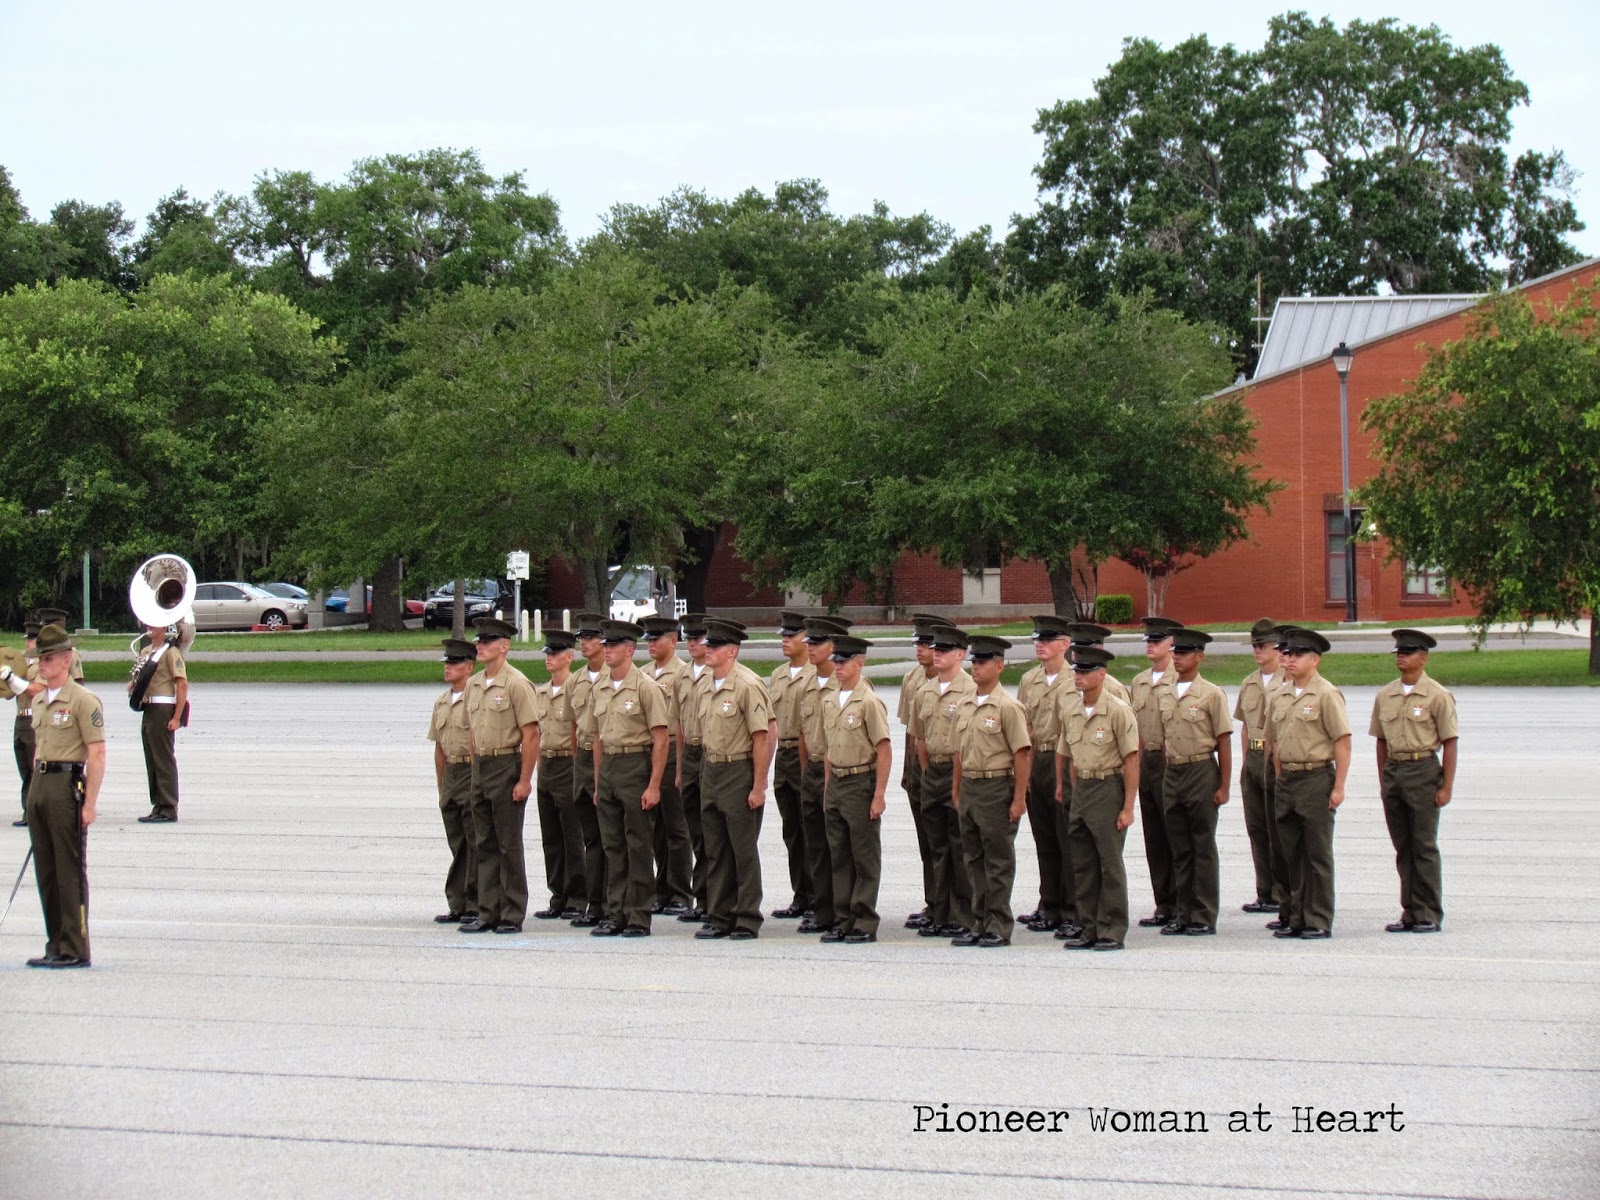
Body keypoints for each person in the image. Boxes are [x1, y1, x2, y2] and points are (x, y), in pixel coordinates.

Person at [22, 624, 104, 969]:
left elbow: (97, 753)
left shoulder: (83, 700)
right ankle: (54, 943)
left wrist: (90, 803)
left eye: (49, 658)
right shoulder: (39, 700)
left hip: (66, 783)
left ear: (67, 659)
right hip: (41, 784)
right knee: (46, 870)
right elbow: (39, 747)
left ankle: (75, 947)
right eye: (39, 658)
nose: (42, 664)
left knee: (68, 870)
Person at [1371, 629, 1458, 934]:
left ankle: (1428, 912)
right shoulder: (1385, 695)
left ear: (1423, 658)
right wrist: (1384, 779)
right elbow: (1381, 741)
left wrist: (1446, 786)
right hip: (1395, 771)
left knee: (1423, 846)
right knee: (1403, 846)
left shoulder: (1437, 695)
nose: (1401, 657)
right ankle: (1409, 910)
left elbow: (1450, 742)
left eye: (1407, 652)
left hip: (1423, 770)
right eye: (1399, 652)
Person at [460, 617, 543, 935]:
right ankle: (488, 910)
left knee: (508, 844)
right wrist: (475, 768)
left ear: (504, 646)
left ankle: (511, 912)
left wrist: (524, 780)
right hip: (482, 766)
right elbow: (472, 730)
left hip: (507, 764)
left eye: (488, 642)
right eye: (479, 642)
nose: (480, 646)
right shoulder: (474, 684)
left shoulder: (516, 684)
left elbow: (531, 734)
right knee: (484, 843)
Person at [1268, 627, 1351, 940]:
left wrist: (1339, 786)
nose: (1290, 659)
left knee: (1317, 854)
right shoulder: (1280, 695)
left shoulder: (1326, 694)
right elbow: (1275, 741)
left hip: (1315, 776)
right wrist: (1280, 777)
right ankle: (1296, 915)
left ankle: (1318, 918)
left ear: (1315, 660)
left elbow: (1342, 741)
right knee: (1292, 853)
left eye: (1299, 654)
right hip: (1288, 779)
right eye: (1288, 653)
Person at [1055, 644, 1139, 951]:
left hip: (1108, 786)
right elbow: (1069, 755)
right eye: (1076, 670)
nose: (1078, 676)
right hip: (1083, 788)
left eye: (1086, 671)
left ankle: (1112, 929)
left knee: (1109, 863)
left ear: (1101, 674)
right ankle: (1088, 926)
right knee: (1083, 862)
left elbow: (1131, 760)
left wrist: (1128, 807)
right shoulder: (1072, 710)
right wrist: (1072, 789)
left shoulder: (1117, 710)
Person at [693, 618, 772, 941]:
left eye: (715, 646)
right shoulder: (704, 685)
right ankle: (719, 915)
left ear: (732, 651)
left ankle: (747, 917)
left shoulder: (747, 685)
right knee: (715, 849)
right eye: (708, 645)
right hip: (711, 768)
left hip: (738, 770)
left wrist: (758, 786)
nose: (708, 650)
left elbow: (761, 738)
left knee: (742, 849)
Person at [590, 619, 669, 937]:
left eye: (613, 646)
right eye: (605, 645)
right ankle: (616, 912)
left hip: (635, 764)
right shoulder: (600, 687)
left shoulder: (645, 687)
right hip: (609, 766)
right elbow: (597, 738)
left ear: (629, 650)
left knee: (638, 844)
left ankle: (638, 914)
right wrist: (598, 783)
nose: (607, 650)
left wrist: (654, 785)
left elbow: (660, 739)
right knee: (613, 845)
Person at [951, 635, 1032, 947]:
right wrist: (957, 790)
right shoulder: (965, 706)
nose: (976, 667)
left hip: (996, 786)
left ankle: (998, 923)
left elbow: (1022, 753)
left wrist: (1019, 798)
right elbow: (959, 752)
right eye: (974, 661)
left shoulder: (1008, 707)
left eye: (983, 662)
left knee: (998, 860)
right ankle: (979, 921)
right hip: (971, 786)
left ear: (999, 666)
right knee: (973, 858)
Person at [816, 633, 891, 944]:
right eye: (835, 660)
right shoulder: (829, 701)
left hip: (861, 781)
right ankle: (843, 918)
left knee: (864, 856)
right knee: (840, 855)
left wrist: (879, 795)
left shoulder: (869, 702)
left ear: (859, 664)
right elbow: (828, 750)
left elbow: (884, 749)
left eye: (844, 661)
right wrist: (828, 789)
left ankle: (864, 920)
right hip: (837, 782)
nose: (837, 666)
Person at [1158, 629, 1232, 936]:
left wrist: (1224, 786)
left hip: (1200, 769)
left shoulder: (1211, 694)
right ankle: (1182, 911)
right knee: (1179, 847)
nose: (1177, 657)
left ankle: (1203, 914)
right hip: (1173, 772)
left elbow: (1223, 741)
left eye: (1184, 653)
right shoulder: (1165, 692)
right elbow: (1165, 738)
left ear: (1199, 656)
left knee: (1202, 845)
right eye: (1175, 652)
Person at [910, 625, 977, 938]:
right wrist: (926, 770)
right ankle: (940, 911)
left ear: (960, 655)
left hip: (957, 770)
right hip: (933, 772)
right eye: (935, 649)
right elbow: (919, 737)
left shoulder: (970, 690)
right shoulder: (925, 691)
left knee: (960, 846)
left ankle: (963, 915)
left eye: (944, 650)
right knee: (936, 846)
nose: (937, 654)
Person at [1016, 615, 1073, 933]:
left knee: (1067, 837)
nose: (1040, 644)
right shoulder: (1029, 680)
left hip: (1063, 759)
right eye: (1037, 639)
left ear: (1064, 644)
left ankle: (1070, 909)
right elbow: (1024, 727)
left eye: (1047, 639)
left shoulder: (1075, 679)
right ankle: (1048, 904)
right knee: (1044, 838)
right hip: (1037, 759)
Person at [795, 616, 849, 934]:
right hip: (813, 770)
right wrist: (807, 773)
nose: (810, 648)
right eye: (809, 643)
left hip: (838, 773)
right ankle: (822, 909)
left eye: (817, 643)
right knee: (815, 844)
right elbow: (803, 735)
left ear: (833, 647)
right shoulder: (805, 685)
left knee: (838, 847)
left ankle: (843, 911)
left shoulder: (846, 687)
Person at [1129, 615, 1182, 928]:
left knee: (1174, 832)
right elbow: (1134, 728)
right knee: (1154, 837)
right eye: (1148, 640)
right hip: (1146, 761)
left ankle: (1180, 902)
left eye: (1157, 640)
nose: (1150, 645)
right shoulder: (1139, 682)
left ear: (1172, 644)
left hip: (1168, 761)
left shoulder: (1178, 680)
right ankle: (1163, 902)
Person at [1233, 618, 1288, 915]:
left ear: (1277, 648)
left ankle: (1281, 891)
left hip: (1275, 757)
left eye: (1262, 645)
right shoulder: (1249, 683)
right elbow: (1245, 726)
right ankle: (1264, 891)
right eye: (1254, 645)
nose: (1256, 650)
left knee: (1277, 828)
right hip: (1254, 757)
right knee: (1256, 827)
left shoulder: (1287, 681)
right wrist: (1246, 763)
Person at [640, 614, 694, 915]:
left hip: (672, 748)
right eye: (648, 638)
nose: (650, 643)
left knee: (676, 826)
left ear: (673, 641)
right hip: (650, 750)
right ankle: (661, 890)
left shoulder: (683, 674)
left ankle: (680, 892)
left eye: (656, 638)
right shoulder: (643, 673)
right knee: (656, 828)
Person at [533, 629, 585, 920]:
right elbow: (537, 735)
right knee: (551, 837)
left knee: (572, 834)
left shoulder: (577, 690)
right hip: (547, 765)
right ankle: (558, 894)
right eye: (548, 653)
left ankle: (578, 895)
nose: (549, 658)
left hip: (568, 763)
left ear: (569, 657)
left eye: (555, 653)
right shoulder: (540, 693)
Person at [767, 610, 816, 920]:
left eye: (791, 635)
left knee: (812, 829)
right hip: (784, 756)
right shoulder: (778, 675)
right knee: (792, 831)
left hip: (807, 754)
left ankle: (819, 896)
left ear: (806, 638)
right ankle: (801, 895)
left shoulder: (815, 675)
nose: (785, 640)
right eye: (783, 635)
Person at [426, 638, 479, 923]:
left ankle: (475, 902)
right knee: (457, 841)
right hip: (452, 774)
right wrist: (442, 786)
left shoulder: (477, 700)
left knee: (475, 840)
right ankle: (457, 902)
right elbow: (439, 747)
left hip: (472, 770)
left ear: (469, 667)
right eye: (447, 662)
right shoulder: (442, 702)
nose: (448, 667)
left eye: (455, 663)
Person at [899, 614, 943, 929]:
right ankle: (933, 902)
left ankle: (952, 904)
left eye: (926, 644)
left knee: (946, 842)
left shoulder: (955, 683)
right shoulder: (912, 680)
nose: (920, 649)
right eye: (918, 643)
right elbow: (910, 731)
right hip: (917, 769)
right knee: (926, 842)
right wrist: (908, 772)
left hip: (942, 767)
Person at [565, 612, 608, 926]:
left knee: (612, 838)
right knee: (591, 838)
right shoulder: (575, 680)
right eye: (581, 638)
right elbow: (572, 725)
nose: (583, 643)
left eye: (590, 638)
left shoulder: (615, 677)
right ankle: (595, 903)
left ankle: (614, 903)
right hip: (582, 760)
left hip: (610, 760)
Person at [130, 620, 188, 824]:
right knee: (152, 759)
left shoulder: (170, 652)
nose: (149, 627)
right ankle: (158, 805)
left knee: (163, 759)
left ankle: (169, 807)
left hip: (163, 707)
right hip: (148, 706)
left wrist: (176, 717)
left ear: (163, 629)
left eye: (154, 625)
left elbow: (182, 684)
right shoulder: (146, 652)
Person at [675, 613, 712, 923]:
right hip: (689, 753)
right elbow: (677, 726)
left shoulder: (716, 674)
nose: (692, 643)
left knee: (714, 831)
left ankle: (716, 898)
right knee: (696, 832)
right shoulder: (682, 676)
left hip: (710, 753)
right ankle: (701, 897)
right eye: (688, 638)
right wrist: (678, 770)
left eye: (698, 638)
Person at [2, 620, 40, 826]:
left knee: (35, 768)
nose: (27, 643)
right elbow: (9, 694)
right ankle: (27, 810)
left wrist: (14, 679)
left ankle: (35, 813)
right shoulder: (20, 663)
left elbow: (37, 690)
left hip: (34, 719)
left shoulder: (41, 664)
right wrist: (7, 678)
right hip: (20, 718)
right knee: (24, 769)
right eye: (27, 639)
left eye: (31, 639)